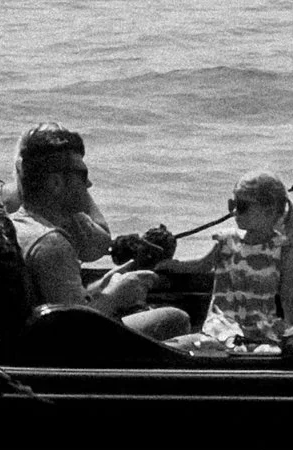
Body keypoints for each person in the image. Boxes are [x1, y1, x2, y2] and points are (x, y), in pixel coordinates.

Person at [10, 122, 188, 340]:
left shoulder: (17, 226)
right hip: (64, 354)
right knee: (175, 318)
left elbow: (64, 304)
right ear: (56, 183)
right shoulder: (51, 244)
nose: (90, 185)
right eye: (83, 175)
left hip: (30, 342)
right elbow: (75, 329)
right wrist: (115, 296)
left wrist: (104, 285)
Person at [184, 171, 293, 351]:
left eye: (242, 206)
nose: (235, 211)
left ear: (269, 211)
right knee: (229, 342)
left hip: (261, 325)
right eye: (232, 204)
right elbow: (201, 265)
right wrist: (171, 265)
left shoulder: (284, 249)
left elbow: (288, 296)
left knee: (268, 349)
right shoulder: (227, 241)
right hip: (224, 321)